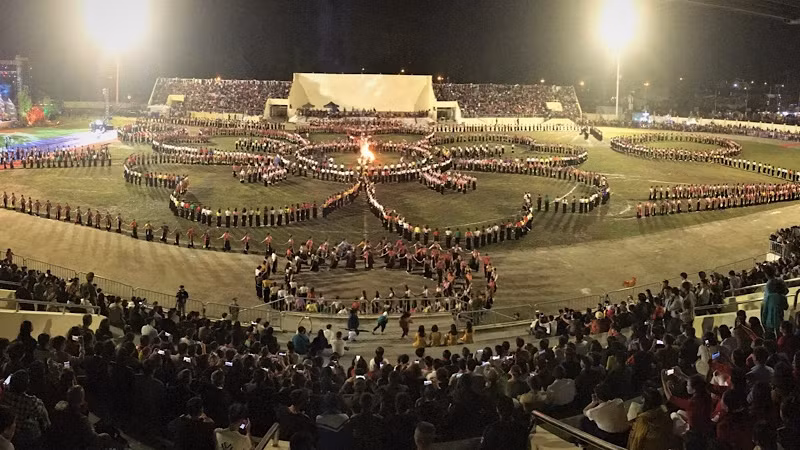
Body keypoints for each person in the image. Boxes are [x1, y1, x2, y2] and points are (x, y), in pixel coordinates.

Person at [47, 385, 122, 449]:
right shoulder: (81, 419)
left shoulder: (60, 409)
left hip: (64, 443)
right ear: (81, 400)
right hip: (78, 445)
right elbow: (93, 439)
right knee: (106, 437)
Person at [0, 370, 50, 449]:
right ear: (27, 386)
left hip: (4, 426)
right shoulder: (31, 401)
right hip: (21, 431)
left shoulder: (4, 392)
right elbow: (41, 414)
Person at [761, 266, 788, 333]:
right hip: (779, 314)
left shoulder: (769, 285)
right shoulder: (780, 281)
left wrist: (763, 320)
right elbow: (786, 291)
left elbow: (766, 303)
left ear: (766, 274)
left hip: (770, 316)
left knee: (772, 333)